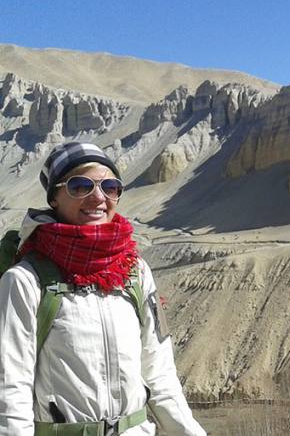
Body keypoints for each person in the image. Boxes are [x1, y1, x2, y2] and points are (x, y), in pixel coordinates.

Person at [0, 142, 206, 435]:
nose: (98, 197)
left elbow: (159, 374)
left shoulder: (135, 272)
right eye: (80, 186)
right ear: (55, 198)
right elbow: (10, 390)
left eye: (110, 186)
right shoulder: (25, 281)